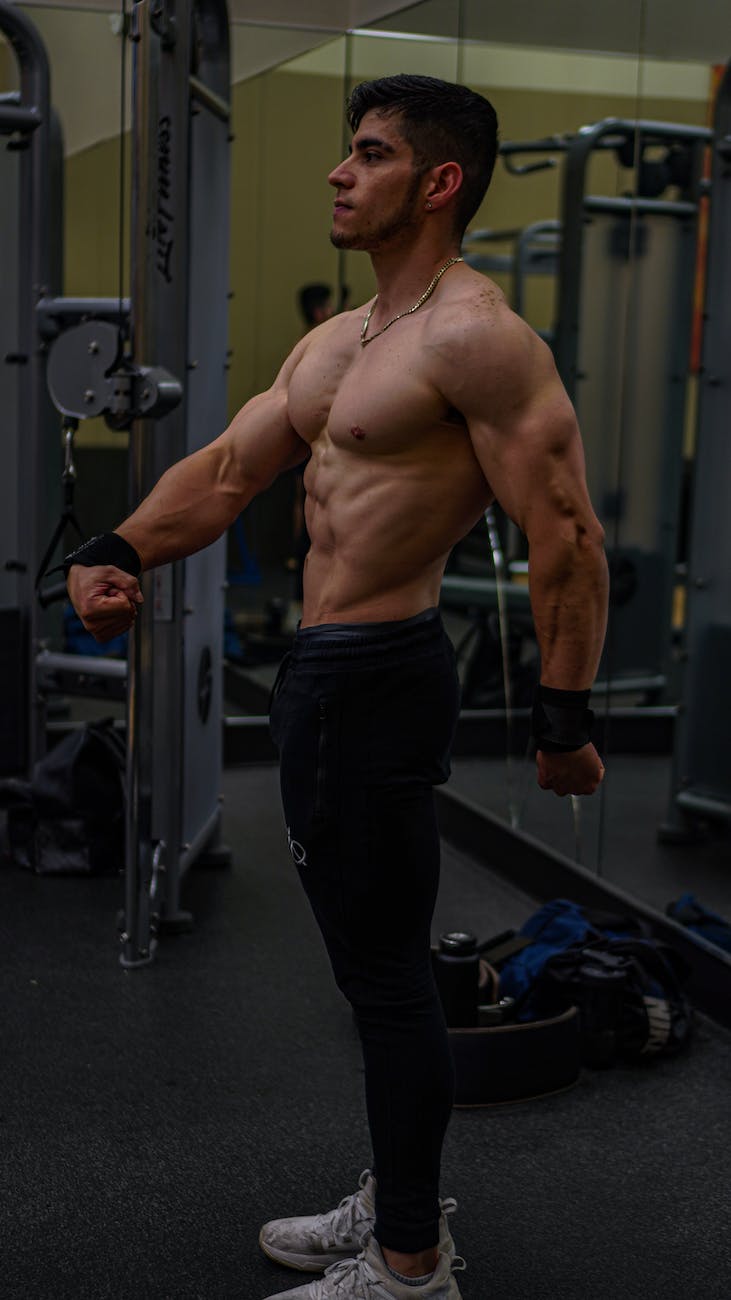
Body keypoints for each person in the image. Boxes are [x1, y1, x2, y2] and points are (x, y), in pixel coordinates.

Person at [66, 74, 608, 1300]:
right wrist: (117, 549)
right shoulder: (338, 340)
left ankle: (410, 1260)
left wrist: (564, 717)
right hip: (322, 675)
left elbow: (564, 533)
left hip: (375, 677)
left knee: (381, 973)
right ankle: (397, 1193)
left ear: (438, 181)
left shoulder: (474, 337)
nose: (336, 171)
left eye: (366, 154)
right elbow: (225, 470)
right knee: (378, 966)